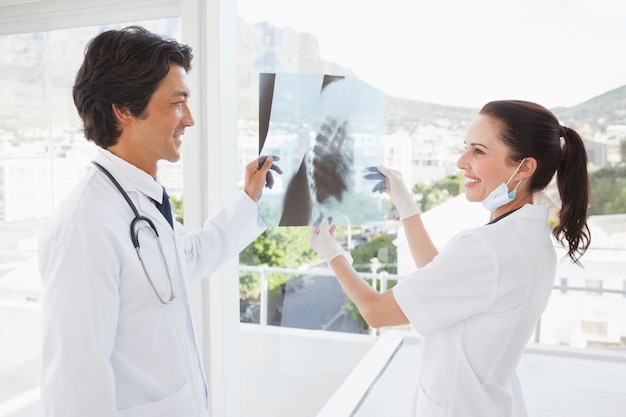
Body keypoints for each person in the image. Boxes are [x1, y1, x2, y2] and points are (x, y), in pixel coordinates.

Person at [38, 26, 279, 417]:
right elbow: (74, 387)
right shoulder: (85, 227)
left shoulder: (140, 202)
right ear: (125, 109)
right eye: (178, 103)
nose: (190, 120)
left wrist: (249, 197)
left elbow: (192, 255)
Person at [310, 100, 590, 417]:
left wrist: (333, 255)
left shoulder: (489, 247)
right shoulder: (527, 238)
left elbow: (376, 312)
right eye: (465, 148)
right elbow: (442, 279)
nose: (461, 161)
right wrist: (406, 206)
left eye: (479, 151)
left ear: (524, 167)